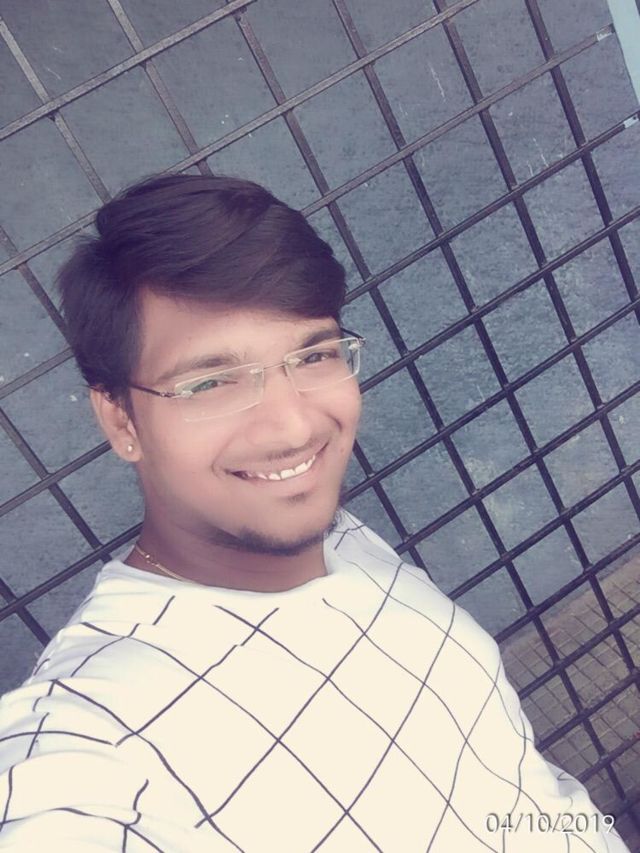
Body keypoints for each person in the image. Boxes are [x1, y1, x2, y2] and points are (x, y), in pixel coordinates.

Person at [0, 173, 630, 852]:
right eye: (210, 382)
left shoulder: (342, 539)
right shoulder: (98, 740)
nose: (294, 425)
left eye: (314, 355)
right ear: (121, 420)